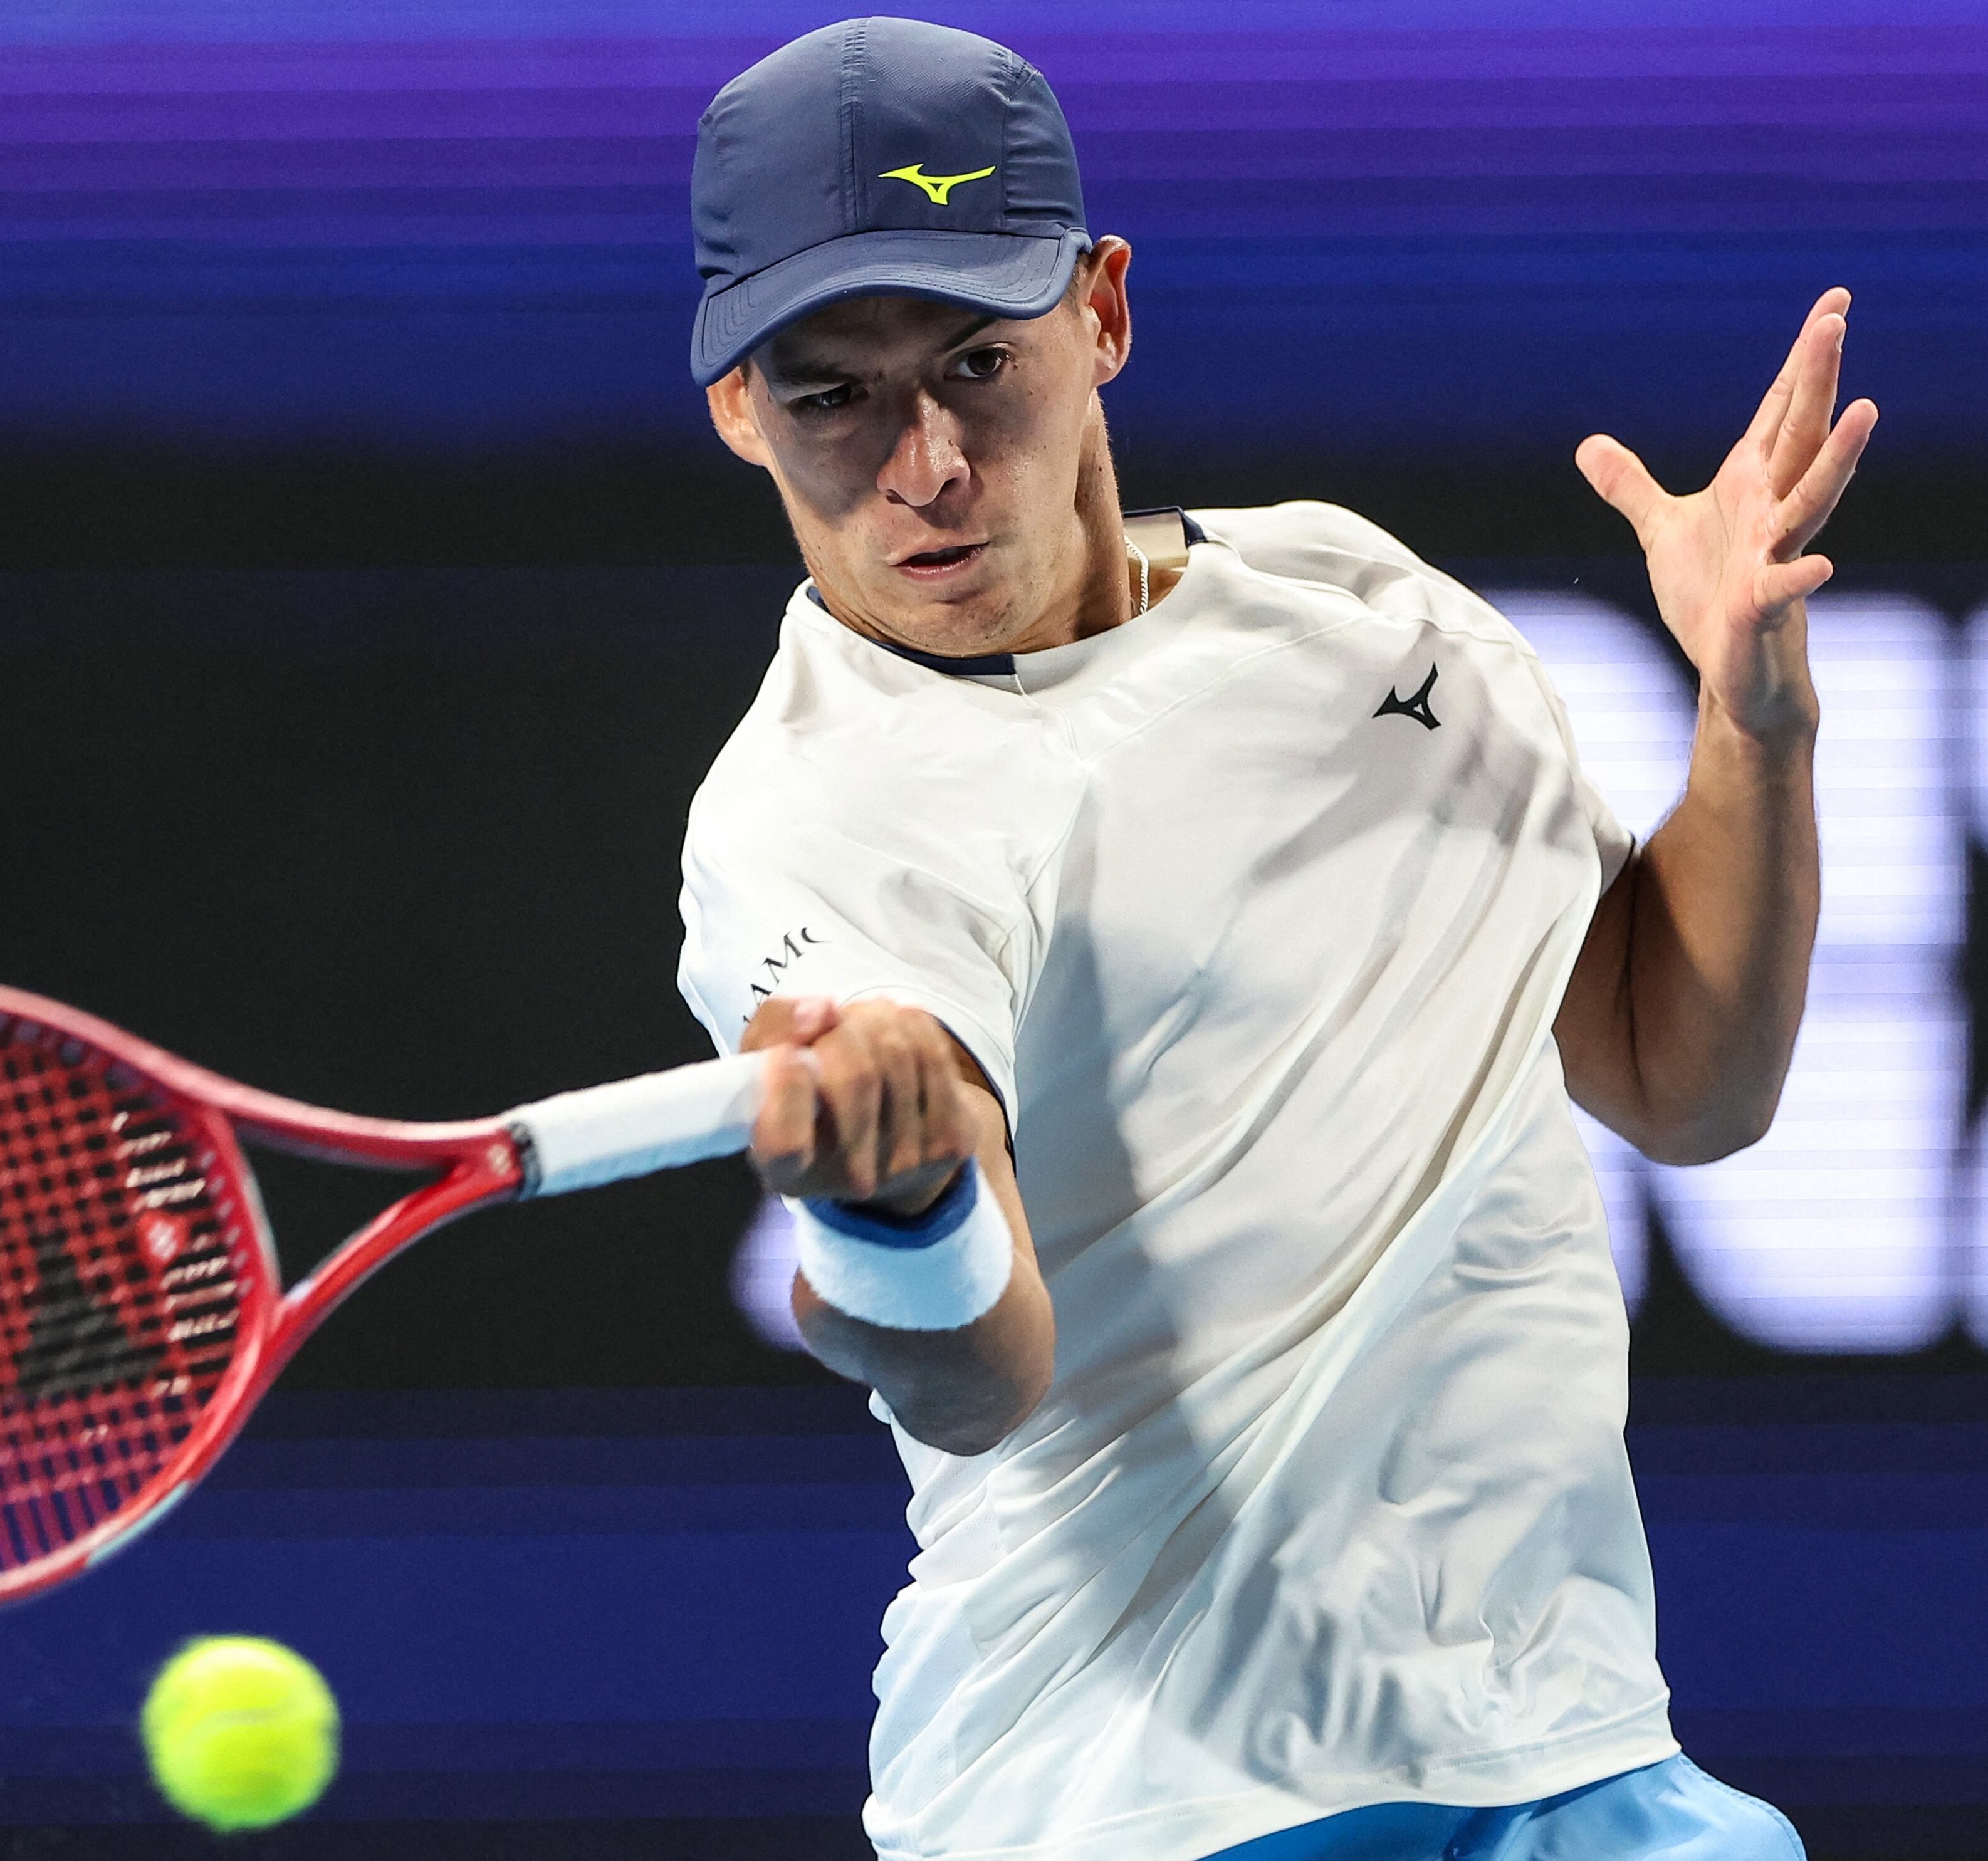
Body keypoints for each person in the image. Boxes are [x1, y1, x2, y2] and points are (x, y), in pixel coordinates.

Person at [671, 19, 1873, 1861]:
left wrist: (1751, 727)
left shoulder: (1354, 600)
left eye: (978, 361)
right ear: (741, 411)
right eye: (833, 394)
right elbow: (972, 1367)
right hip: (1132, 1802)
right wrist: (897, 1205)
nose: (921, 464)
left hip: (1575, 1766)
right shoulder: (816, 813)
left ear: (1105, 312)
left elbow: (1680, 1071)